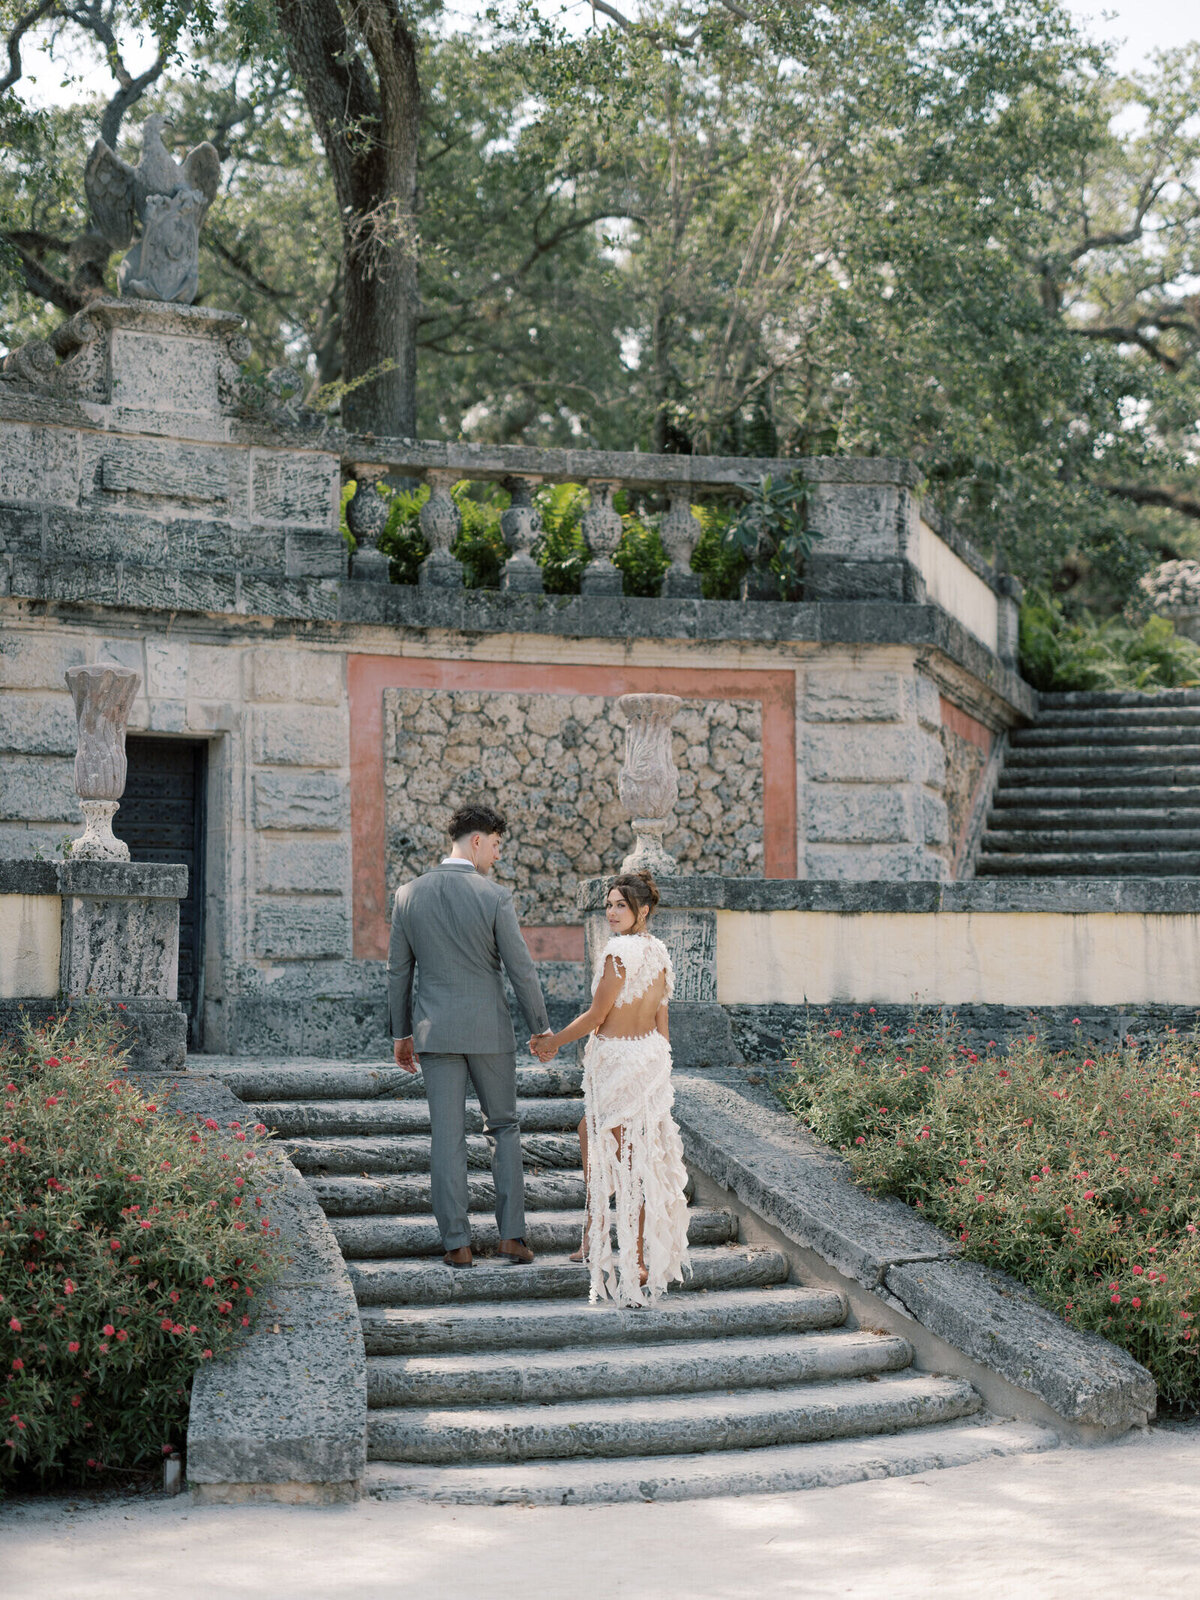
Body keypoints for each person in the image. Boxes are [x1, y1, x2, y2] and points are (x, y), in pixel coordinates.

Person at [388, 801, 555, 1268]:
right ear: (477, 841)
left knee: (446, 1135)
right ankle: (511, 1237)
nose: (497, 856)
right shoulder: (495, 897)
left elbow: (398, 972)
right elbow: (522, 972)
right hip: (489, 1032)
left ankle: (456, 1243)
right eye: (497, 845)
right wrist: (541, 1029)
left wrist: (401, 1033)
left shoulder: (407, 895)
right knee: (503, 1127)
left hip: (434, 1033)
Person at [532, 870, 690, 1307]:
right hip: (647, 1055)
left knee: (629, 1161)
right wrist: (659, 1068)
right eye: (609, 905)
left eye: (621, 905)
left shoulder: (618, 952)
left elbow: (596, 1016)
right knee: (591, 1133)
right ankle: (594, 1231)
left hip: (623, 1061)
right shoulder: (658, 951)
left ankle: (633, 1257)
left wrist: (551, 1043)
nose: (612, 912)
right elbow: (662, 1018)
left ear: (644, 910)